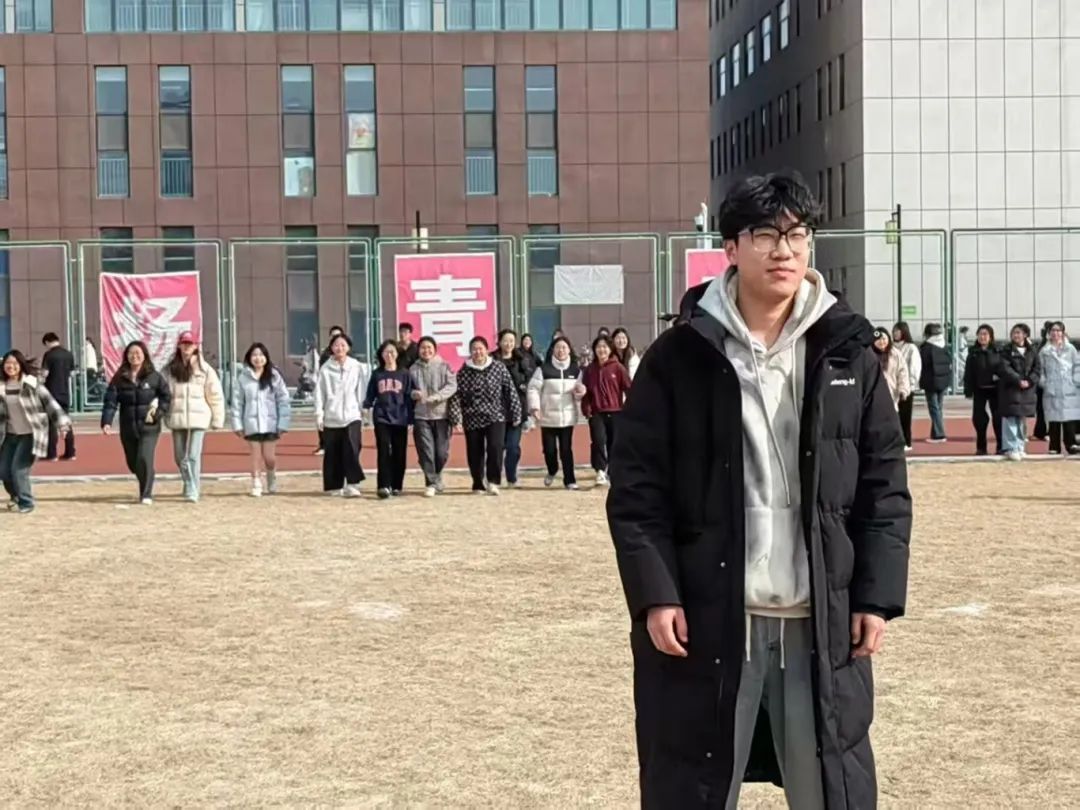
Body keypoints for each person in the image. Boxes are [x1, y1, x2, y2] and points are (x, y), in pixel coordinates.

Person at [607, 173, 911, 809]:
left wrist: (876, 598)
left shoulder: (848, 354)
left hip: (819, 619)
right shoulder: (679, 356)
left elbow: (884, 488)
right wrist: (656, 594)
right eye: (767, 234)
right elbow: (637, 491)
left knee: (831, 786)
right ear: (731, 247)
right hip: (711, 617)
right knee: (692, 783)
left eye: (798, 234)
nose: (784, 250)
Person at [0, 350, 73, 513]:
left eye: (14, 363)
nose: (11, 366)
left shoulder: (32, 384)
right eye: (7, 363)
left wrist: (63, 425)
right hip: (9, 435)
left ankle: (26, 502)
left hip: (30, 434)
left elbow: (50, 403)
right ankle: (16, 496)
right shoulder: (1, 386)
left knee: (19, 470)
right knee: (3, 471)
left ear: (21, 365)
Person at [101, 341, 171, 504]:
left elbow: (166, 396)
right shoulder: (120, 378)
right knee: (133, 463)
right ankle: (148, 476)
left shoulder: (154, 377)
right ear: (126, 356)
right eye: (131, 353)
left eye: (138, 353)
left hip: (149, 426)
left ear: (144, 355)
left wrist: (159, 413)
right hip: (128, 426)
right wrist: (107, 421)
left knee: (144, 458)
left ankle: (146, 494)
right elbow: (110, 401)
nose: (134, 356)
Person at [454, 336, 521, 496]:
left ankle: (493, 481)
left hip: (495, 415)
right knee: (475, 451)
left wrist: (516, 412)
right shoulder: (464, 371)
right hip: (472, 416)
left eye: (480, 349)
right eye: (474, 349)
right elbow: (456, 396)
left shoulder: (498, 367)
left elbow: (510, 390)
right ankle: (478, 482)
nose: (478, 352)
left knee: (496, 447)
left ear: (486, 350)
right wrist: (457, 418)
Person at [166, 332, 225, 503]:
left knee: (193, 455)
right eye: (184, 343)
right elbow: (163, 391)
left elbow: (215, 394)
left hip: (199, 416)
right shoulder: (169, 369)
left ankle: (193, 488)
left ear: (196, 346)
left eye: (190, 343)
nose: (186, 347)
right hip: (177, 416)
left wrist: (217, 419)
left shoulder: (205, 369)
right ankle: (188, 481)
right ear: (179, 345)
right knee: (179, 456)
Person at [230, 342, 292, 497]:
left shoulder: (274, 376)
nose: (258, 358)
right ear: (249, 358)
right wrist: (237, 424)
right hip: (251, 424)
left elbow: (283, 400)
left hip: (271, 424)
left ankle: (271, 475)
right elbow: (237, 403)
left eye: (261, 355)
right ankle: (256, 482)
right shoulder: (243, 378)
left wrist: (283, 423)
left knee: (269, 457)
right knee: (255, 456)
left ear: (266, 357)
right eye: (254, 355)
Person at [527, 335, 585, 490]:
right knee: (549, 450)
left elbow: (580, 391)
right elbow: (533, 389)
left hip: (567, 417)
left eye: (564, 347)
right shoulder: (543, 370)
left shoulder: (576, 370)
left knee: (566, 449)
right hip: (548, 417)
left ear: (569, 350)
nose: (561, 350)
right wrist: (535, 407)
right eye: (558, 347)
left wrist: (580, 393)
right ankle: (552, 470)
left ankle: (570, 480)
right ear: (553, 350)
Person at [315, 332, 367, 496]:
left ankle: (352, 483)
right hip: (332, 416)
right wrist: (319, 414)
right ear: (331, 348)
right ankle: (334, 486)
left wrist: (363, 410)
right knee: (333, 452)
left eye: (343, 345)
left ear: (348, 347)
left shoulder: (356, 366)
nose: (339, 348)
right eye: (336, 345)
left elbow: (361, 389)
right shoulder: (325, 369)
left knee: (352, 449)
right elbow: (319, 393)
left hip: (352, 415)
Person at [365, 340, 415, 499]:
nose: (389, 355)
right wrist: (366, 407)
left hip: (400, 417)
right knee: (384, 450)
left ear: (398, 354)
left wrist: (411, 419)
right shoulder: (377, 374)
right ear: (381, 355)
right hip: (382, 417)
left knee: (399, 452)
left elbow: (409, 396)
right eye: (386, 352)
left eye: (392, 352)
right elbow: (370, 394)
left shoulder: (405, 374)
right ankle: (383, 485)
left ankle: (397, 485)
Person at [580, 334, 631, 486]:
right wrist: (586, 408)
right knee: (598, 441)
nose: (601, 350)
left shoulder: (618, 368)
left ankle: (613, 471)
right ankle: (600, 471)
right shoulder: (590, 370)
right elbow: (586, 392)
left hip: (616, 412)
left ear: (610, 349)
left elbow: (629, 388)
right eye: (598, 347)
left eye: (604, 347)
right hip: (597, 412)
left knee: (614, 443)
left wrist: (630, 408)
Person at [410, 337, 457, 498]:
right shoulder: (413, 369)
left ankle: (437, 476)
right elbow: (408, 389)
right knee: (426, 451)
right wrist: (414, 394)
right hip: (421, 415)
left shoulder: (444, 366)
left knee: (441, 453)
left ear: (435, 349)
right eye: (423, 348)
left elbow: (452, 385)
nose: (426, 350)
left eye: (429, 347)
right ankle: (430, 483)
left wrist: (437, 397)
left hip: (441, 415)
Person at [997, 323, 1040, 462]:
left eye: (1019, 332)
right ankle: (1010, 448)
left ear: (1025, 335)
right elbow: (1005, 368)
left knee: (1021, 420)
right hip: (1010, 390)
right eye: (1014, 332)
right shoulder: (1006, 350)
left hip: (1027, 392)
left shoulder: (1032, 351)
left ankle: (1020, 446)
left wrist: (1029, 381)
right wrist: (1018, 380)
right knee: (1010, 419)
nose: (1016, 335)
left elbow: (1037, 369)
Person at [1038, 321, 1080, 456]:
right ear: (1049, 333)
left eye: (1058, 330)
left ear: (1062, 332)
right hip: (1052, 388)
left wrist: (1075, 381)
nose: (1055, 333)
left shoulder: (1070, 349)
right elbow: (1040, 370)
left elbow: (1077, 366)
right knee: (1053, 419)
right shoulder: (1044, 351)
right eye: (1053, 330)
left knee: (1069, 417)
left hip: (1069, 387)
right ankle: (1054, 446)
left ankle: (1071, 443)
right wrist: (1044, 383)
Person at [495, 329, 531, 487]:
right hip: (497, 410)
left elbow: (529, 379)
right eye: (505, 340)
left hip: (516, 409)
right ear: (499, 342)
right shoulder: (492, 359)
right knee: (496, 447)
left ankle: (511, 477)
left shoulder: (521, 359)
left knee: (513, 447)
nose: (508, 344)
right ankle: (493, 477)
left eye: (511, 341)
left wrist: (524, 385)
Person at [963, 324, 1002, 456]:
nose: (982, 337)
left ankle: (1001, 445)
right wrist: (968, 390)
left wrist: (1000, 377)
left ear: (991, 337)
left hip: (995, 390)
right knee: (979, 419)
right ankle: (981, 447)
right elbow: (968, 373)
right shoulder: (973, 353)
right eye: (980, 334)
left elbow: (1004, 368)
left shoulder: (998, 351)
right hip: (979, 389)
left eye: (985, 334)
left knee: (998, 418)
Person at [40, 332, 76, 461]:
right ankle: (70, 452)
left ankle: (52, 453)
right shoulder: (68, 354)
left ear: (47, 342)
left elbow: (44, 373)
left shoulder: (49, 355)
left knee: (51, 424)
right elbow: (72, 373)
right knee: (66, 422)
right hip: (65, 392)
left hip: (51, 392)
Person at [314, 326, 346, 456]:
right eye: (333, 336)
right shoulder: (326, 355)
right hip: (329, 392)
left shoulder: (348, 354)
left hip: (343, 393)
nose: (336, 338)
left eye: (338, 335)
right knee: (324, 419)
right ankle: (323, 444)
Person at [919, 323, 951, 443]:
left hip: (931, 381)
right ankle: (935, 433)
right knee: (938, 407)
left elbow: (923, 364)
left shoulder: (927, 347)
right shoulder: (944, 346)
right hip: (943, 380)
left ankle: (939, 434)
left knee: (934, 408)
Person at [891, 321, 922, 450]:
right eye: (894, 331)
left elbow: (914, 367)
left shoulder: (910, 348)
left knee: (905, 416)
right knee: (893, 416)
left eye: (898, 331)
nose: (895, 333)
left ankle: (906, 441)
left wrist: (911, 384)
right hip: (892, 387)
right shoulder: (891, 347)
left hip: (906, 387)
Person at [872, 327, 911, 409]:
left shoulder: (895, 354)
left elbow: (902, 372)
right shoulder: (868, 354)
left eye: (883, 339)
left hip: (891, 393)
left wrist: (903, 389)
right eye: (878, 339)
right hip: (872, 395)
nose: (881, 342)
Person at [1033, 320, 1054, 440]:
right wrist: (1043, 383)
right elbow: (1039, 367)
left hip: (1055, 383)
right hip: (1043, 384)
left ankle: (1047, 432)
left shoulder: (1063, 345)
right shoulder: (1043, 347)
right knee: (1042, 409)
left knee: (1051, 409)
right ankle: (1041, 432)